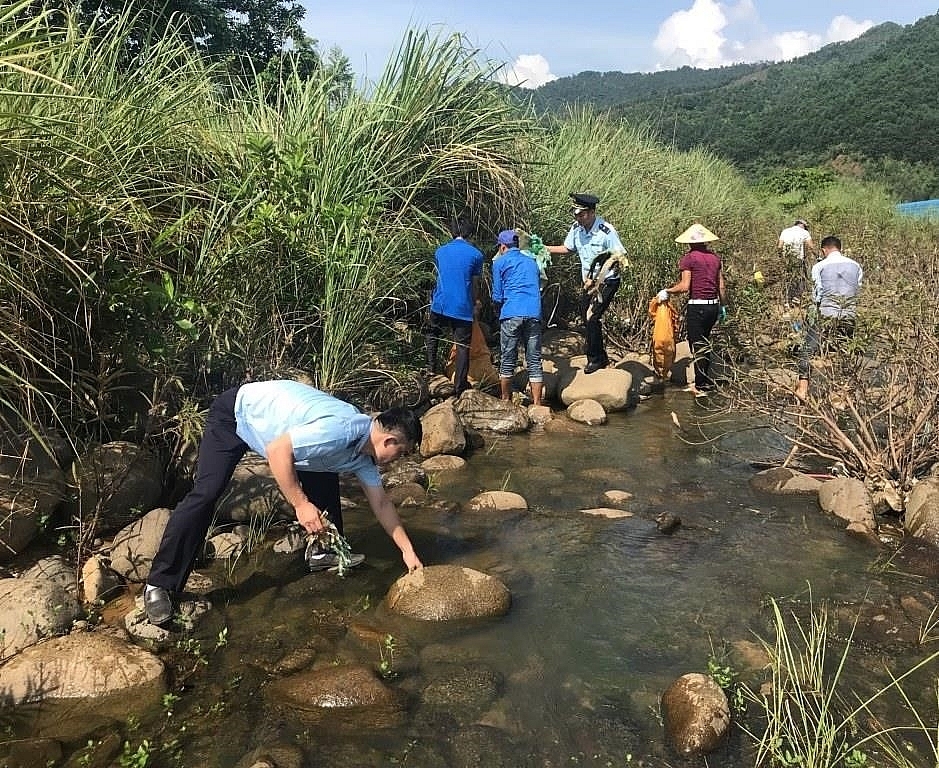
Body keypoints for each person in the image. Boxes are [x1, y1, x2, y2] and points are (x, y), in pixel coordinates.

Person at [143, 380, 424, 625]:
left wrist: (408, 551)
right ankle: (159, 585)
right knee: (206, 494)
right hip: (236, 413)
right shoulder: (340, 430)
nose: (397, 460)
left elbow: (382, 504)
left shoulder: (364, 456)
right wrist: (301, 505)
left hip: (282, 431)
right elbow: (278, 450)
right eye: (401, 453)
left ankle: (322, 551)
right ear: (388, 441)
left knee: (323, 471)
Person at [546, 193, 626, 374]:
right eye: (575, 214)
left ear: (590, 213)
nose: (577, 218)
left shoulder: (606, 230)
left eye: (580, 214)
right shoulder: (576, 228)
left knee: (592, 316)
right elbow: (567, 248)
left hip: (606, 281)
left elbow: (619, 257)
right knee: (586, 316)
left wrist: (599, 277)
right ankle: (600, 354)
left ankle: (595, 359)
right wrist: (543, 248)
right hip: (588, 284)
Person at [658, 223, 726, 397]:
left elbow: (685, 286)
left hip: (697, 305)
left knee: (697, 344)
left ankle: (700, 384)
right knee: (705, 342)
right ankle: (705, 380)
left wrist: (667, 291)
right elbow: (721, 286)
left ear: (689, 242)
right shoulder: (715, 258)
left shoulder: (689, 258)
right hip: (713, 306)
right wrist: (723, 306)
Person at [794, 236, 862, 401]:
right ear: (840, 248)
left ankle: (802, 391)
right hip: (848, 315)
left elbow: (818, 293)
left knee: (807, 350)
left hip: (826, 315)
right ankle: (841, 393)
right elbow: (857, 289)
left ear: (824, 250)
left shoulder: (819, 266)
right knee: (845, 351)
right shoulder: (856, 265)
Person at [425, 215, 484, 395]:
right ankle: (459, 386)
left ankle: (431, 369)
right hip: (462, 307)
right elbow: (474, 284)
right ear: (470, 233)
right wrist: (476, 303)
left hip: (440, 302)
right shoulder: (476, 255)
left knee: (432, 332)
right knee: (462, 346)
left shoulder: (440, 251)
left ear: (453, 231)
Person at [491, 229, 544, 406]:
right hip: (534, 313)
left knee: (508, 358)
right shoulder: (532, 262)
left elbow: (497, 296)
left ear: (503, 247)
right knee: (534, 359)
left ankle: (505, 399)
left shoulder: (499, 262)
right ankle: (537, 404)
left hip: (511, 313)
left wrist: (497, 311)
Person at [777, 218, 815, 306]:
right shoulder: (804, 232)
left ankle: (786, 300)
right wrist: (817, 256)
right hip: (797, 258)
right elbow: (811, 247)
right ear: (803, 225)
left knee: (787, 278)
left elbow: (779, 246)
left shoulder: (785, 231)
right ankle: (795, 298)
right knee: (797, 279)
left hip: (786, 258)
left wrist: (781, 258)